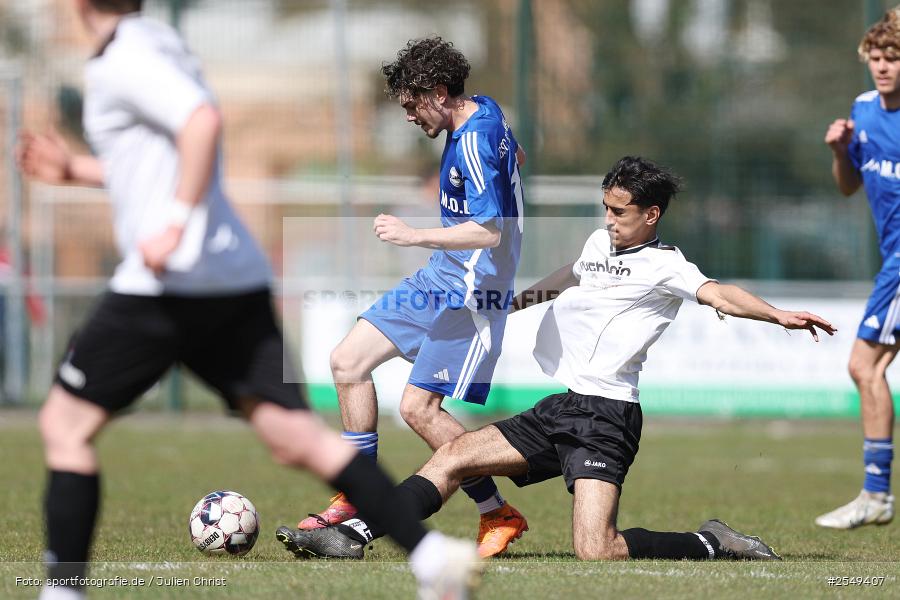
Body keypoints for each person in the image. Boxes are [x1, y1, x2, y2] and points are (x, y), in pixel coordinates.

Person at [18, 2, 481, 599]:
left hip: (168, 284)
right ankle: (432, 557)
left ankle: (61, 591)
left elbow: (201, 123)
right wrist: (77, 169)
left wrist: (176, 222)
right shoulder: (157, 43)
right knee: (297, 438)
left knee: (64, 424)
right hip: (232, 277)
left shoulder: (122, 59)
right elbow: (156, 161)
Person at [277, 156, 836, 562]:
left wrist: (777, 315)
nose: (610, 219)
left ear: (653, 214)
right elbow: (567, 277)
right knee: (450, 458)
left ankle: (713, 542)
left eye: (621, 211)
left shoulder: (669, 266)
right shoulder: (598, 244)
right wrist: (508, 306)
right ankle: (353, 537)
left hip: (608, 421)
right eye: (606, 208)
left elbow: (719, 293)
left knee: (598, 551)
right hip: (560, 409)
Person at [291, 37, 528, 558]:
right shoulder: (486, 110)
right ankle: (356, 493)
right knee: (347, 360)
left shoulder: (472, 139)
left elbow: (488, 230)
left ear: (439, 93)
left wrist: (412, 234)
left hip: (470, 292)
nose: (406, 115)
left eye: (410, 103)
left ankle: (497, 511)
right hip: (439, 277)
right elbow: (515, 157)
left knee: (418, 409)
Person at [816, 8, 900, 530]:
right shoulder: (863, 111)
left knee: (864, 365)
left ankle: (876, 493)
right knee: (867, 368)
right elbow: (848, 186)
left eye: (893, 57)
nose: (883, 66)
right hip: (892, 258)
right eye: (876, 57)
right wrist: (840, 152)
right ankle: (876, 494)